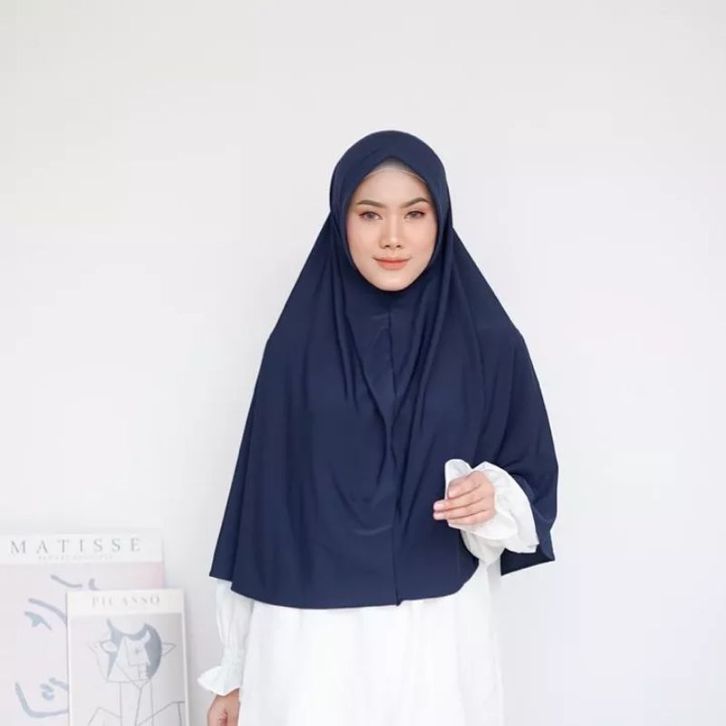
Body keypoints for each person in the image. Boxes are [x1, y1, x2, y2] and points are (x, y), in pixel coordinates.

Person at [198, 129, 558, 725]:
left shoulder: (489, 342)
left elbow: (531, 478)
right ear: (341, 219)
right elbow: (259, 511)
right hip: (309, 644)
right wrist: (235, 673)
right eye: (369, 214)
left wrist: (493, 496)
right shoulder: (295, 347)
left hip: (436, 639)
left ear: (440, 219)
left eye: (414, 214)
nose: (393, 236)